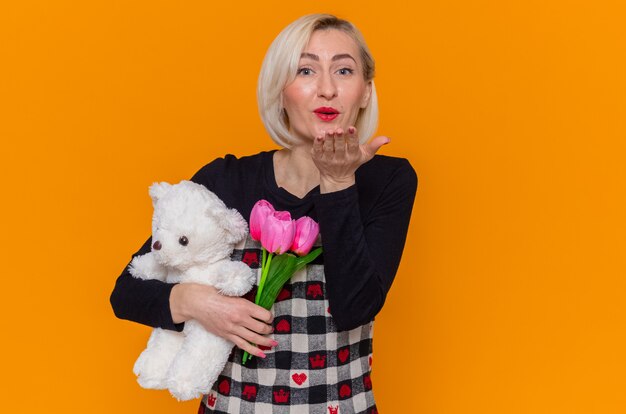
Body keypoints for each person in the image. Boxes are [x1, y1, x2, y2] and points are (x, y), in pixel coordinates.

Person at [110, 13, 417, 413]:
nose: (327, 89)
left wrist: (339, 183)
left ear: (364, 91)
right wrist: (198, 303)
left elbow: (354, 309)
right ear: (280, 90)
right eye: (306, 70)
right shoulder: (225, 180)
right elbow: (127, 292)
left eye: (344, 70)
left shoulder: (388, 181)